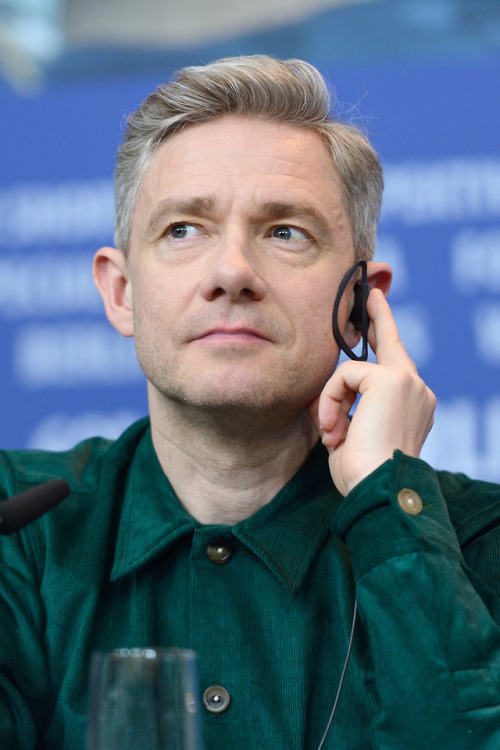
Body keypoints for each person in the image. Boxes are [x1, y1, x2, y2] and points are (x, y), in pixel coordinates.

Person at [1, 54, 500, 750]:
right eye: (183, 229)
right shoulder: (19, 533)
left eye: (285, 231)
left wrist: (393, 504)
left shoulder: (477, 543)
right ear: (121, 293)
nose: (232, 271)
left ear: (361, 303)